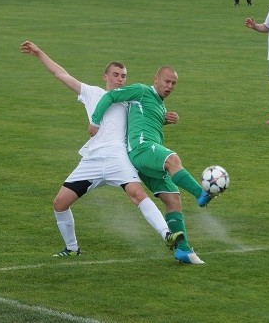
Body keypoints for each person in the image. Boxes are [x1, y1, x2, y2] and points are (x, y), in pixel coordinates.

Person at [20, 41, 183, 257]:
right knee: (59, 203)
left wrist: (164, 119)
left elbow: (145, 124)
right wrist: (40, 54)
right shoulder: (92, 93)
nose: (120, 79)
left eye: (123, 76)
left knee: (137, 194)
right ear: (105, 76)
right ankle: (72, 248)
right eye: (115, 74)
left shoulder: (131, 101)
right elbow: (62, 75)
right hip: (93, 160)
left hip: (118, 158)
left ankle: (167, 235)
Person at [90, 66, 213, 265]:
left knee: (173, 200)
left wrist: (165, 120)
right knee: (173, 159)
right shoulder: (141, 90)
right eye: (166, 81)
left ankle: (182, 250)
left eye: (173, 83)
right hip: (141, 148)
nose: (170, 86)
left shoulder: (159, 105)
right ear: (156, 79)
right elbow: (111, 96)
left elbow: (145, 120)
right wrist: (95, 122)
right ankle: (201, 194)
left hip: (147, 156)